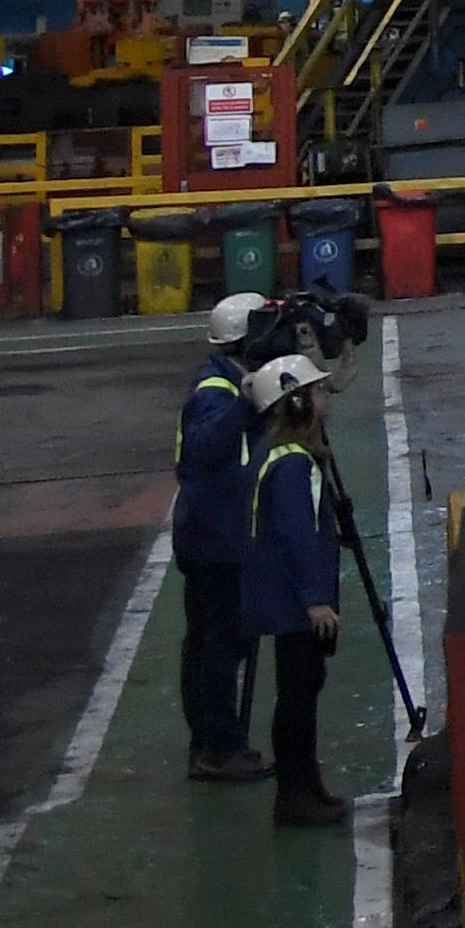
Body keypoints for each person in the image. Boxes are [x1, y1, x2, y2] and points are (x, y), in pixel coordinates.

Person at [240, 356, 354, 829]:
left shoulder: (280, 457)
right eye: (319, 393)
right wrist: (315, 599)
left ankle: (306, 786)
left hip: (286, 600)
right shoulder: (293, 468)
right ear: (300, 402)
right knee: (298, 697)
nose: (326, 400)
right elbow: (296, 535)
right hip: (295, 606)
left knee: (301, 692)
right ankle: (296, 795)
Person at [175, 295, 273, 782]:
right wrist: (246, 400)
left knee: (214, 645)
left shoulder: (227, 381)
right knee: (217, 648)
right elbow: (207, 447)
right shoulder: (216, 390)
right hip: (217, 542)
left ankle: (216, 742)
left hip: (220, 536)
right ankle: (217, 745)